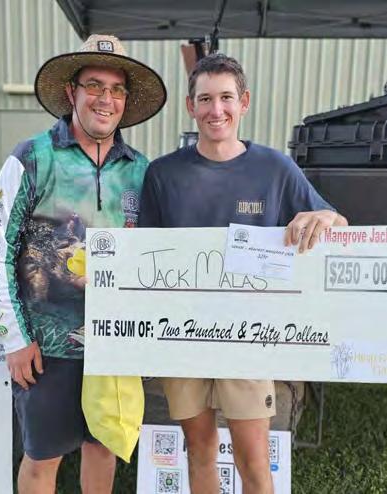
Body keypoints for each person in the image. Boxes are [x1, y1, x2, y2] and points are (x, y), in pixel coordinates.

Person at [138, 53, 347, 494]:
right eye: (205, 99)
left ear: (244, 102)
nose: (216, 110)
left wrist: (326, 219)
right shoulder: (163, 174)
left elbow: (336, 223)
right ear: (191, 106)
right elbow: (142, 258)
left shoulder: (275, 169)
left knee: (254, 461)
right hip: (184, 337)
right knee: (199, 452)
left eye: (226, 98)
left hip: (249, 339)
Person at [0, 34, 166, 494]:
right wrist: (14, 338)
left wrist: (144, 340)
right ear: (71, 92)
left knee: (102, 451)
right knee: (42, 458)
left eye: (116, 89)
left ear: (126, 100)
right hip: (45, 348)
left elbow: (154, 258)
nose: (105, 99)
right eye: (94, 85)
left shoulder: (140, 169)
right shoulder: (33, 156)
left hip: (114, 347)